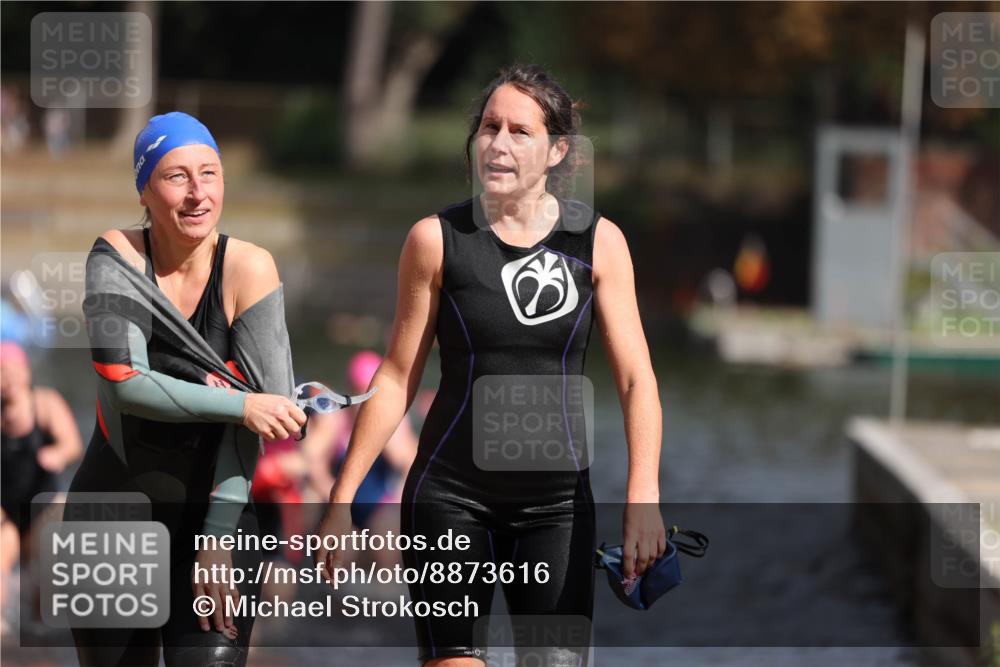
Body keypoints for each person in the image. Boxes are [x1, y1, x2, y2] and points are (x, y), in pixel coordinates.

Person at [315, 64, 665, 666]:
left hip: (557, 506)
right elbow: (397, 377)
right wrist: (342, 499)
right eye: (488, 126)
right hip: (451, 496)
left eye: (519, 131)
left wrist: (644, 495)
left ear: (557, 150)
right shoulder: (435, 240)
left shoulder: (598, 242)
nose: (498, 143)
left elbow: (636, 381)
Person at [68, 112, 306, 667]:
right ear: (145, 190)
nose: (199, 193)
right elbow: (124, 382)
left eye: (210, 174)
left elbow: (260, 427)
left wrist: (218, 539)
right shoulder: (116, 257)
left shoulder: (249, 269)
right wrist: (242, 403)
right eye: (177, 177)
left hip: (218, 513)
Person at [1, 341, 82, 622]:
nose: (8, 378)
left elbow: (73, 444)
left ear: (26, 371)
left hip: (43, 505)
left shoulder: (45, 403)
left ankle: (41, 622)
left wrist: (57, 454)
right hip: (6, 511)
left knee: (47, 578)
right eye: (1, 372)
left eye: (13, 370)